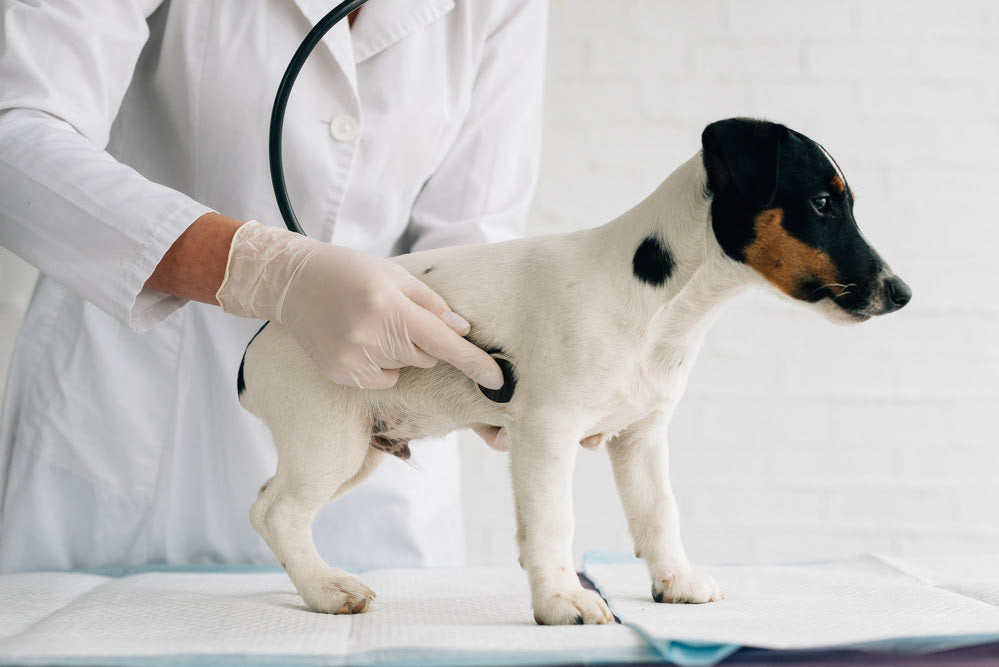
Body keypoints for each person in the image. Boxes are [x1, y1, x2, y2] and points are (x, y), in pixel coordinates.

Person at [0, 1, 547, 573]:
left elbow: (475, 234)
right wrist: (265, 270)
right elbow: (17, 133)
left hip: (374, 469)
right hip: (133, 418)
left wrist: (499, 360)